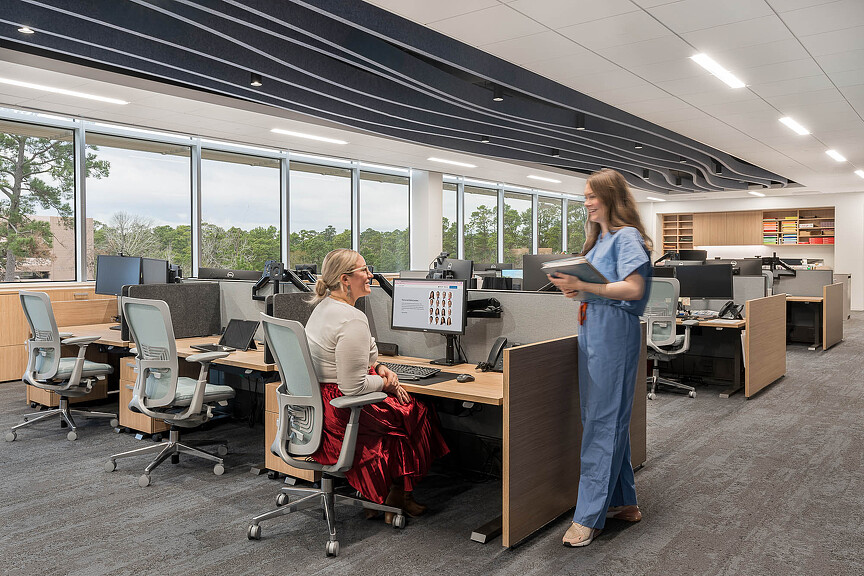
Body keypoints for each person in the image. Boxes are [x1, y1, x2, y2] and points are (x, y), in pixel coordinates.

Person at [547, 169, 652, 547]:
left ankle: (588, 516)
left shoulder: (626, 237)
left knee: (601, 423)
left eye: (592, 195)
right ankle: (624, 503)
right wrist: (574, 289)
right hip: (592, 330)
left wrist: (584, 286)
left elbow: (633, 288)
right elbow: (597, 287)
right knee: (602, 418)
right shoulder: (598, 241)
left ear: (611, 197)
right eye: (585, 196)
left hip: (614, 333)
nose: (587, 202)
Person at [305, 248, 449, 522]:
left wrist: (380, 367)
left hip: (321, 404)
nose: (371, 275)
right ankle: (396, 494)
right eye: (364, 270)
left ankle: (383, 496)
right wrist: (385, 384)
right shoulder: (351, 319)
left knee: (404, 412)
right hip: (341, 406)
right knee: (415, 411)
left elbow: (353, 358)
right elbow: (353, 386)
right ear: (346, 279)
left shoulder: (326, 307)